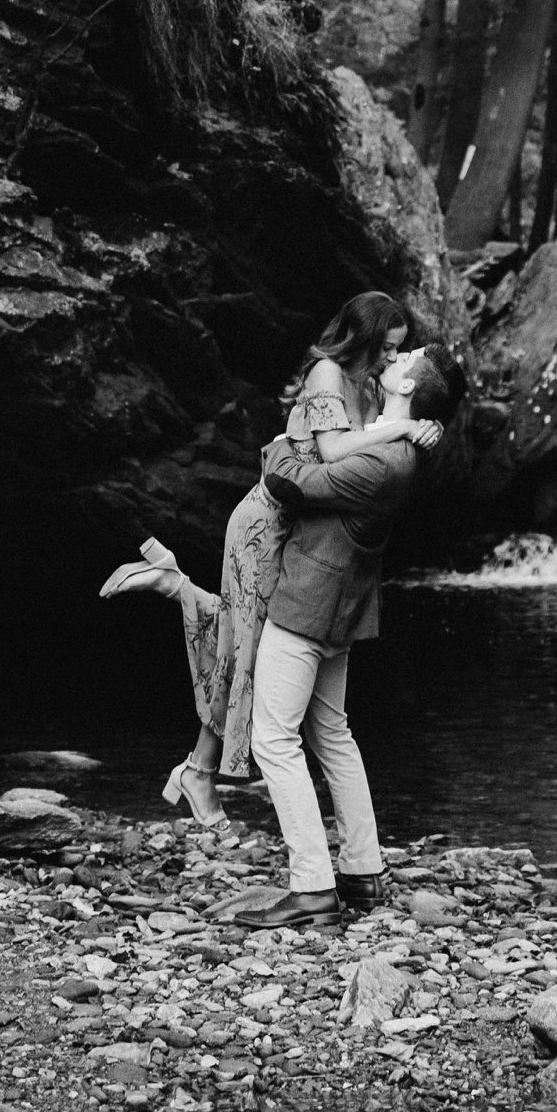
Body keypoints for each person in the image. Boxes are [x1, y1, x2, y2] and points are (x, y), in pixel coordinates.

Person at [99, 292, 440, 822]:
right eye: (386, 348)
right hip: (266, 521)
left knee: (247, 643)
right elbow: (332, 452)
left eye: (398, 350)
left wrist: (426, 423)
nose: (391, 358)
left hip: (303, 527)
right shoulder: (328, 372)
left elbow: (377, 443)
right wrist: (403, 428)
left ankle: (197, 761)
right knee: (246, 646)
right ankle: (198, 768)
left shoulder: (373, 384)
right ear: (362, 339)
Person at [232, 337, 468, 931]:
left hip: (309, 604)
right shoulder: (398, 441)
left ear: (408, 386)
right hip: (342, 606)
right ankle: (362, 870)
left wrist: (288, 435)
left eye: (406, 357)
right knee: (332, 734)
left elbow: (290, 482)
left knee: (273, 741)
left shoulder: (383, 460)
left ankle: (312, 885)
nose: (396, 356)